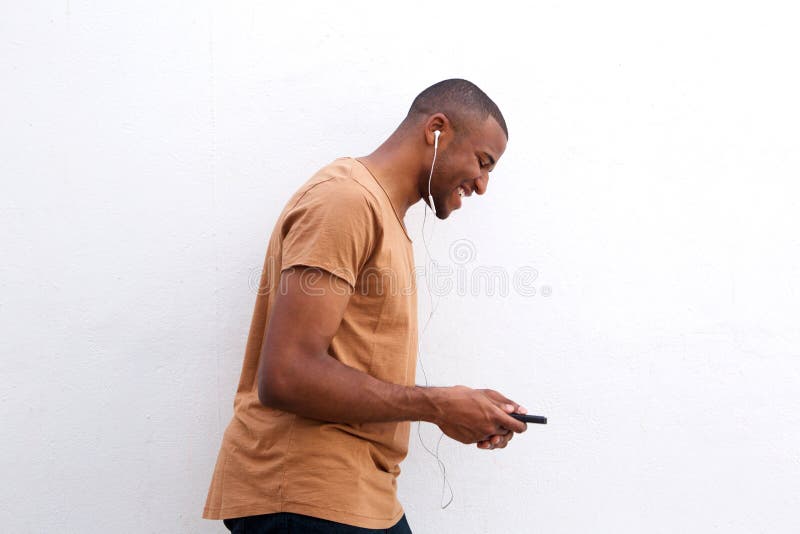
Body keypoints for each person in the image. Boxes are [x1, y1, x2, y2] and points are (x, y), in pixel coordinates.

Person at [203, 79, 529, 533]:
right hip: (306, 496)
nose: (482, 184)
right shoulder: (346, 200)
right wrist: (437, 406)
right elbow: (286, 374)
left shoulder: (380, 214)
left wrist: (461, 407)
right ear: (437, 130)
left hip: (356, 496)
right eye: (483, 161)